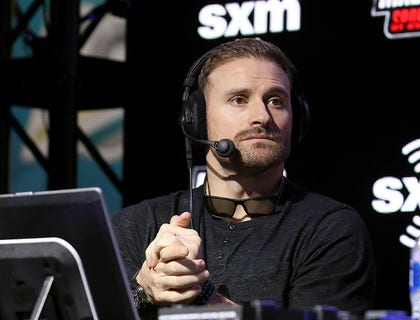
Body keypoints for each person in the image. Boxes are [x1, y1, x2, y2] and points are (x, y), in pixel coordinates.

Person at [111, 37, 376, 319]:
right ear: (197, 119)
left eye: (276, 100)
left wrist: (202, 294)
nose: (262, 116)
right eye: (239, 99)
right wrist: (143, 291)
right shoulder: (136, 225)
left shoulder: (330, 228)